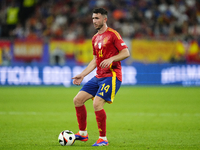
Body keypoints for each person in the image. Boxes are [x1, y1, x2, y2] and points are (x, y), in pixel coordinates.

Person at [72, 8, 130, 146]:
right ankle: (83, 134)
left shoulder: (113, 35)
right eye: (93, 18)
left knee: (97, 103)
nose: (94, 21)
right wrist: (82, 75)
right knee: (77, 100)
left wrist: (112, 59)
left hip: (112, 76)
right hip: (99, 76)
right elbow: (94, 61)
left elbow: (126, 52)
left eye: (97, 18)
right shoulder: (95, 38)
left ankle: (103, 139)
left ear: (105, 19)